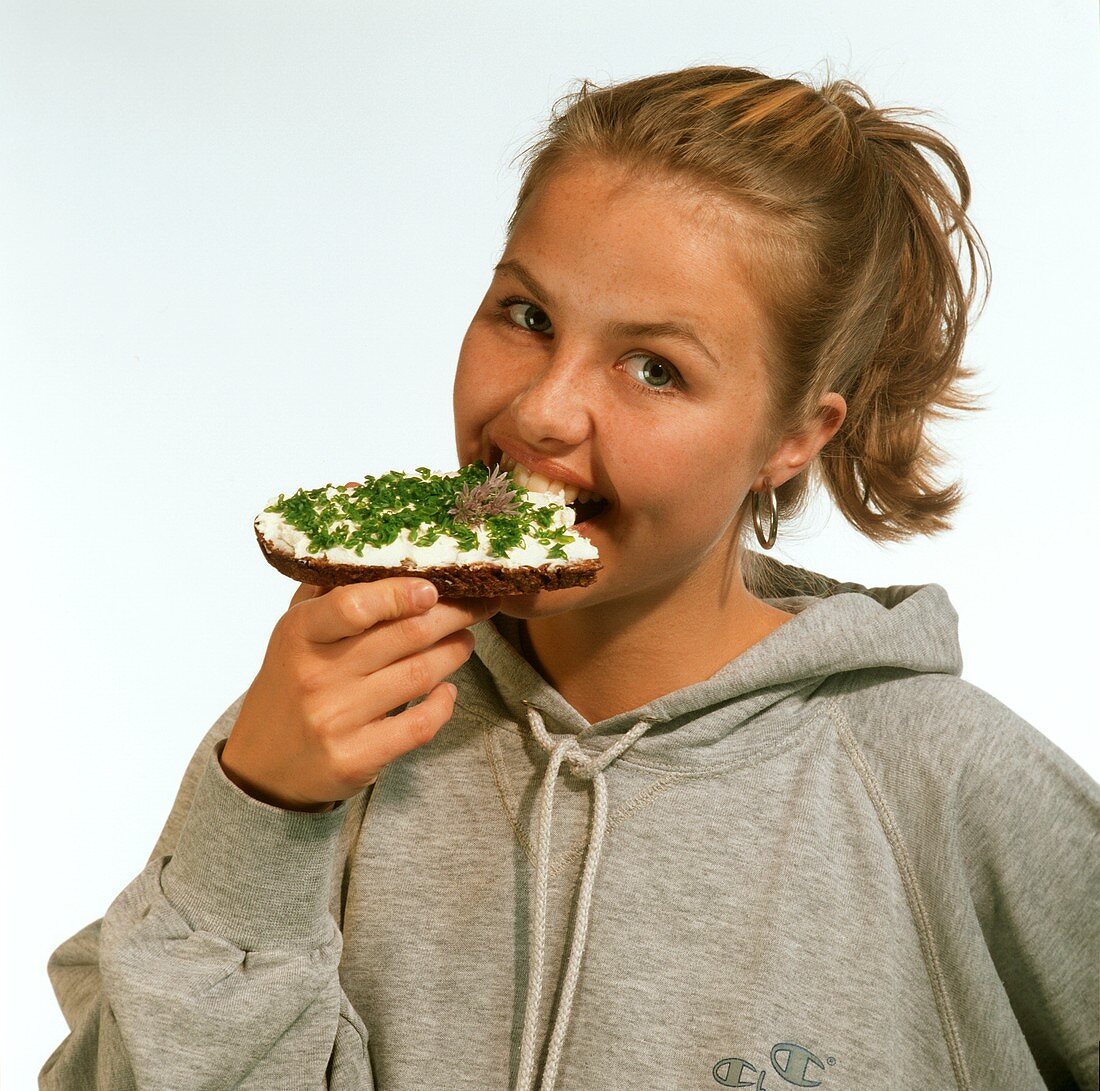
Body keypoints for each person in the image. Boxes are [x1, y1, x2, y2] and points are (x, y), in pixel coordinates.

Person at [41, 64, 1098, 1090]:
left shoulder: (947, 783)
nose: (543, 410)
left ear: (791, 435)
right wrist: (258, 811)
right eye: (526, 315)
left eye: (654, 369)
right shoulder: (322, 739)